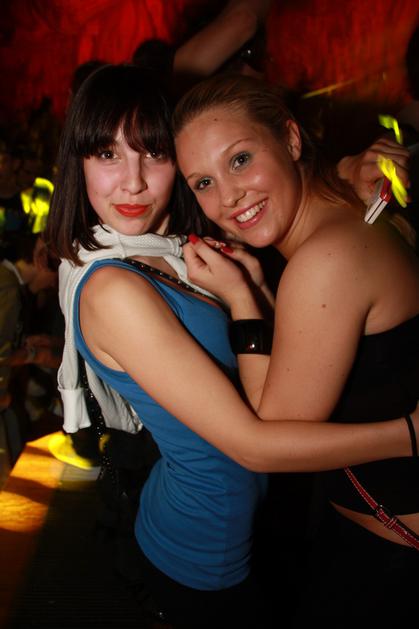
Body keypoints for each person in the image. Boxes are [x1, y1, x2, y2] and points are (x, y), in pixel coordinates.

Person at [44, 63, 418, 629]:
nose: (133, 182)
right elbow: (255, 442)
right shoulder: (112, 287)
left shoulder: (175, 249)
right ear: (77, 162)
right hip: (200, 546)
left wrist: (344, 172)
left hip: (263, 524)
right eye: (106, 154)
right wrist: (410, 434)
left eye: (153, 154)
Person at [172, 72, 419, 626]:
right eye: (203, 182)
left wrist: (242, 300)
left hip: (392, 559)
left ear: (289, 138)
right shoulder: (345, 208)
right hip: (370, 535)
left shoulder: (324, 261)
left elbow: (274, 434)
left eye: (240, 159)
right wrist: (252, 289)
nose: (227, 197)